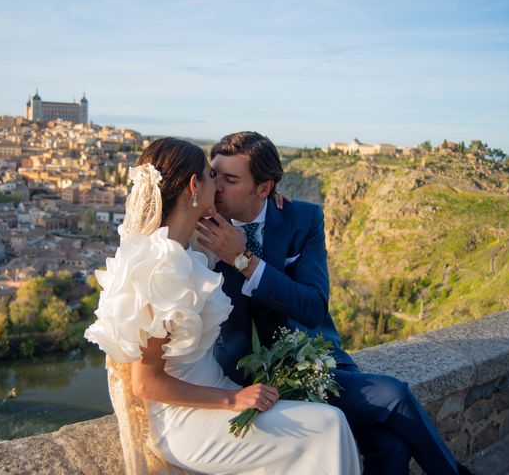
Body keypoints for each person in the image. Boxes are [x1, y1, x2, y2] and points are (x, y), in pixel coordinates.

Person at [196, 131, 471, 475]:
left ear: (265, 189)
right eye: (214, 175)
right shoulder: (198, 228)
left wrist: (244, 259)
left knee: (390, 444)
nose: (217, 187)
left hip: (316, 360)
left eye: (231, 179)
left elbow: (313, 307)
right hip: (250, 379)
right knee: (393, 401)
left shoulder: (302, 218)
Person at [85, 137, 360, 474]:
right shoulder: (160, 268)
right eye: (212, 176)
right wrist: (232, 400)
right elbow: (146, 383)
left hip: (217, 390)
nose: (221, 184)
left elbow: (254, 222)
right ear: (193, 186)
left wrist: (266, 198)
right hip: (187, 418)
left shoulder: (192, 247)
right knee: (328, 425)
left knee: (331, 425)